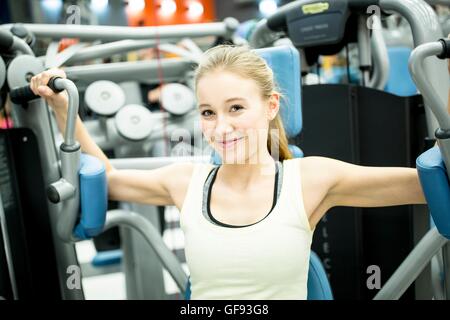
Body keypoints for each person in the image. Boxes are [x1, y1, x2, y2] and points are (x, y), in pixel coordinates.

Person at [31, 45, 430, 300]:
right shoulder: (184, 182)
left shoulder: (308, 180)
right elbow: (109, 178)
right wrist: (63, 109)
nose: (220, 128)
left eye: (236, 108)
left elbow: (425, 185)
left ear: (271, 106)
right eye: (208, 112)